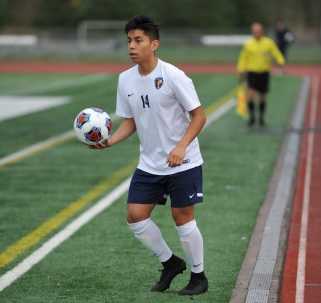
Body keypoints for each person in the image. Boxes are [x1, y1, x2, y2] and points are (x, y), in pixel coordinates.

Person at [92, 15, 208, 295]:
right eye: (129, 41)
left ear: (154, 44)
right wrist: (110, 141)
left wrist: (181, 147)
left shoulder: (173, 75)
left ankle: (198, 277)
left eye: (138, 40)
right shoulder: (125, 79)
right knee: (135, 215)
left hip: (184, 161)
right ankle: (170, 263)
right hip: (150, 163)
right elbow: (129, 122)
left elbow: (199, 116)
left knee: (182, 217)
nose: (132, 46)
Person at [237, 22, 285, 127]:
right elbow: (243, 58)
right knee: (250, 95)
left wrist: (280, 60)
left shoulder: (268, 43)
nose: (256, 33)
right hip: (252, 73)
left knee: (262, 97)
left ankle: (261, 118)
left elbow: (276, 52)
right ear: (252, 32)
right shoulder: (248, 44)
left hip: (264, 73)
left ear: (262, 31)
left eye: (258, 31)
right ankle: (252, 118)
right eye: (254, 31)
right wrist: (240, 69)